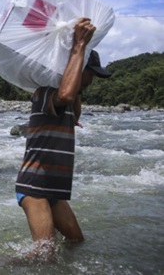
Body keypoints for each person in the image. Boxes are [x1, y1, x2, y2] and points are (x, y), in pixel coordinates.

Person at [14, 18, 112, 261]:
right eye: (90, 74)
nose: (92, 81)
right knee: (44, 255)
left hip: (54, 189)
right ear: (79, 69)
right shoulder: (44, 93)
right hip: (35, 186)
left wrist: (76, 82)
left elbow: (74, 107)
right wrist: (78, 46)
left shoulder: (68, 102)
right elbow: (65, 94)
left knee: (76, 241)